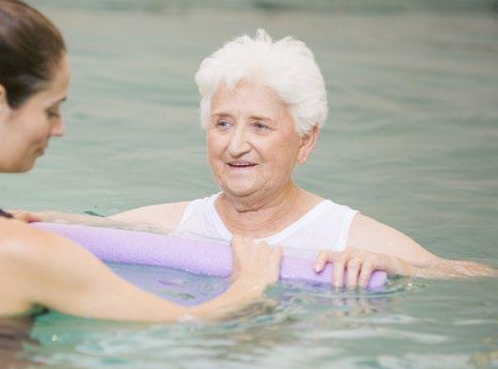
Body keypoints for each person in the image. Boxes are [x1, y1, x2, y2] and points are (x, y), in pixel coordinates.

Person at [0, 0, 288, 321]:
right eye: (51, 108)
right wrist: (250, 284)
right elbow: (191, 320)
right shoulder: (28, 252)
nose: (60, 127)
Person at [104, 30, 498, 287]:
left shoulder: (350, 237)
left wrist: (401, 266)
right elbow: (76, 229)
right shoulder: (171, 225)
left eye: (260, 126)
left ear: (305, 142)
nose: (236, 145)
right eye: (223, 123)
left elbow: (479, 277)